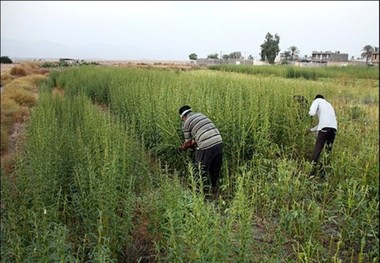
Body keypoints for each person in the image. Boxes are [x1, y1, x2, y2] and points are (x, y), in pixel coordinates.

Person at [178, 105, 223, 196]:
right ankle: (215, 190)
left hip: (206, 145)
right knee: (214, 169)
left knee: (199, 169)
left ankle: (198, 193)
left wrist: (182, 148)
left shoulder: (186, 122)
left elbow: (188, 142)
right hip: (218, 141)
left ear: (183, 117)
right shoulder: (201, 115)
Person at [307, 94, 337, 178]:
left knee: (317, 149)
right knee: (328, 151)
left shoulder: (317, 101)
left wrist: (308, 114)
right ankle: (323, 173)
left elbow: (312, 113)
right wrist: (311, 130)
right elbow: (324, 123)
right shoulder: (328, 104)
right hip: (333, 129)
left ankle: (312, 173)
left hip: (324, 128)